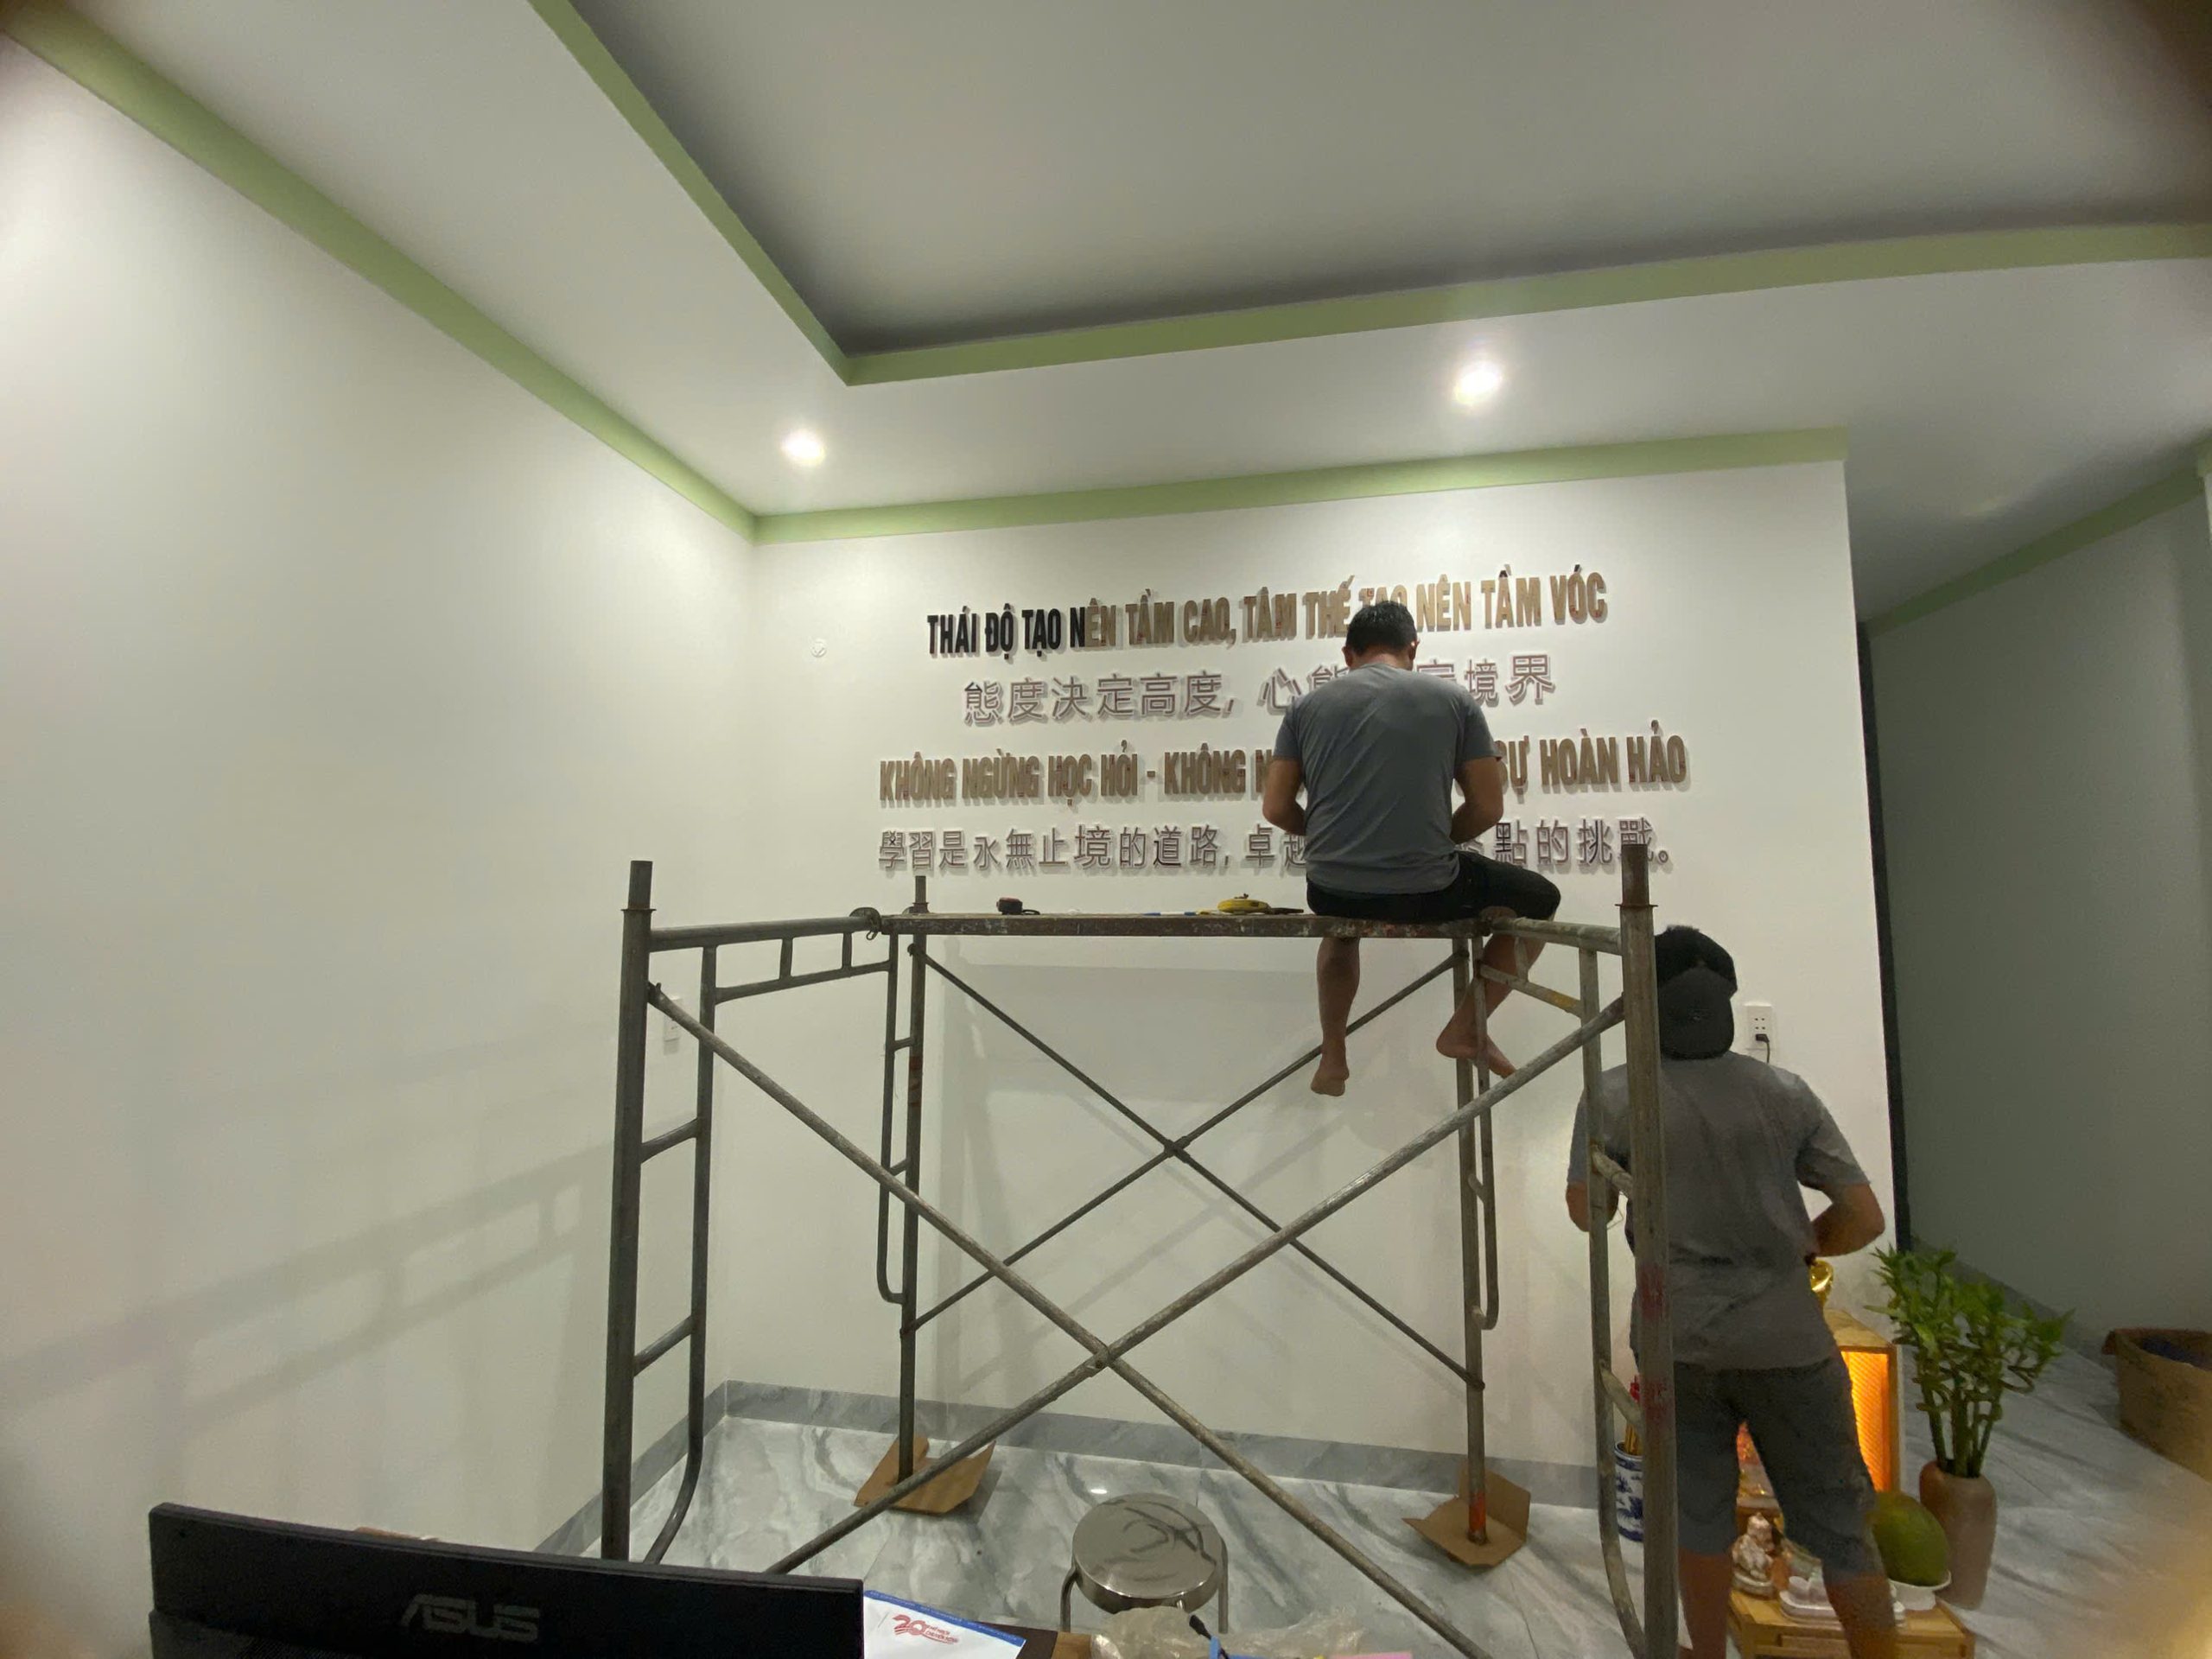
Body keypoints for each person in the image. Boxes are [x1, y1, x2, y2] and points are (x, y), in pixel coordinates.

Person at [1564, 925, 1895, 1659]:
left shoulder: (1614, 1094)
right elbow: (1864, 1217)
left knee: (1699, 1516)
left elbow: (1588, 1212)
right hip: (1788, 1341)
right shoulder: (1784, 1093)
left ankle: (1707, 1653)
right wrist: (1803, 1244)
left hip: (1677, 1337)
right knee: (1843, 1530)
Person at [1261, 601, 1560, 1096]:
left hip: (1332, 889)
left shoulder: (1305, 708)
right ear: (1413, 649)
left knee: (1340, 930)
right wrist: (1434, 842)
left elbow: (1275, 808)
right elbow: (1488, 808)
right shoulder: (1454, 701)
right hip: (1427, 890)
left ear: (1348, 654)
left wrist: (1333, 838)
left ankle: (1333, 1055)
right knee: (1540, 899)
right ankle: (1466, 1027)